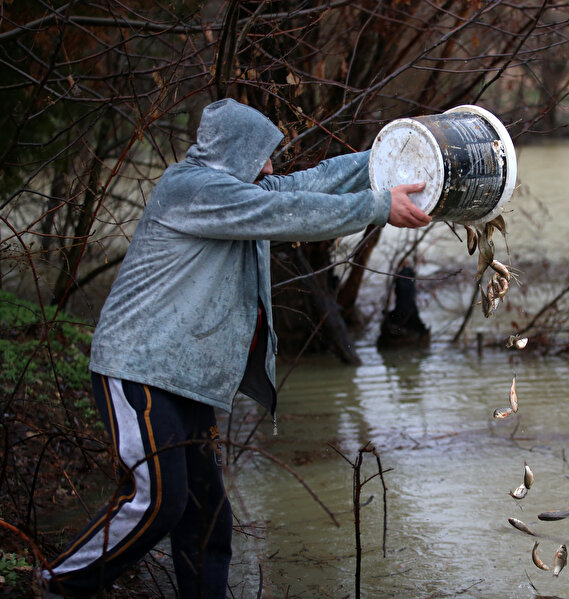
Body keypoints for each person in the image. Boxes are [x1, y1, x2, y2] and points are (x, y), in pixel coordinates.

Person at [42, 98, 431, 598]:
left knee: (207, 515)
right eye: (262, 154)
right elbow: (284, 211)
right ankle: (55, 585)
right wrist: (377, 207)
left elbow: (313, 182)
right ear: (234, 150)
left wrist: (399, 152)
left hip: (186, 380)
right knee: (157, 501)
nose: (270, 167)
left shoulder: (238, 192)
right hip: (138, 369)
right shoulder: (191, 189)